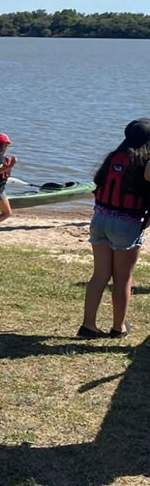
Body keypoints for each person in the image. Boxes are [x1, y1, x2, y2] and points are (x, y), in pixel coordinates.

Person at [79, 118, 150, 339]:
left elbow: (98, 186)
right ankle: (118, 327)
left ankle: (88, 325)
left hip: (100, 219)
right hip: (127, 223)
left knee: (99, 275)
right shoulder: (146, 163)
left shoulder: (112, 158)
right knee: (123, 278)